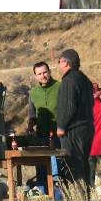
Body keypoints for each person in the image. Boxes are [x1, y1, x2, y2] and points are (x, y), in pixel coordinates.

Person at [56, 49, 94, 192]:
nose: (59, 65)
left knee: (73, 164)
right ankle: (87, 195)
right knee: (84, 163)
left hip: (73, 129)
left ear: (65, 62)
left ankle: (79, 197)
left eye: (59, 62)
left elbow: (69, 106)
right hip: (87, 127)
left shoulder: (68, 80)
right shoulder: (85, 80)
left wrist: (61, 125)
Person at [27, 61, 61, 189]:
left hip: (60, 136)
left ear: (49, 72)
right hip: (41, 137)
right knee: (41, 169)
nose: (43, 76)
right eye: (39, 74)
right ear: (36, 76)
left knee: (60, 169)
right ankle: (44, 195)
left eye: (45, 72)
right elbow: (32, 115)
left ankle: (62, 196)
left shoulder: (60, 87)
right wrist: (30, 126)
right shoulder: (33, 93)